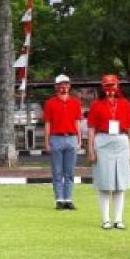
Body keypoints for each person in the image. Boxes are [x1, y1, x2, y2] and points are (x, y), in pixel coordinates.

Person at [86, 75, 130, 230]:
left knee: (120, 182)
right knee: (104, 182)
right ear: (103, 87)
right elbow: (91, 129)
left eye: (112, 85)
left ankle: (119, 219)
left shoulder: (125, 104)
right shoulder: (96, 105)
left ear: (117, 86)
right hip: (103, 141)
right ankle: (106, 219)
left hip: (121, 141)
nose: (110, 89)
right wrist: (91, 149)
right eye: (107, 86)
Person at [43, 74, 83, 210]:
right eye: (61, 84)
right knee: (57, 171)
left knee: (70, 172)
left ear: (69, 86)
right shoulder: (50, 103)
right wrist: (47, 142)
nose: (63, 86)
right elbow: (48, 123)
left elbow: (77, 122)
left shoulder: (75, 102)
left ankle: (68, 199)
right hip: (56, 138)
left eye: (66, 84)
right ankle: (59, 199)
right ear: (56, 86)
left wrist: (79, 139)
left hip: (71, 137)